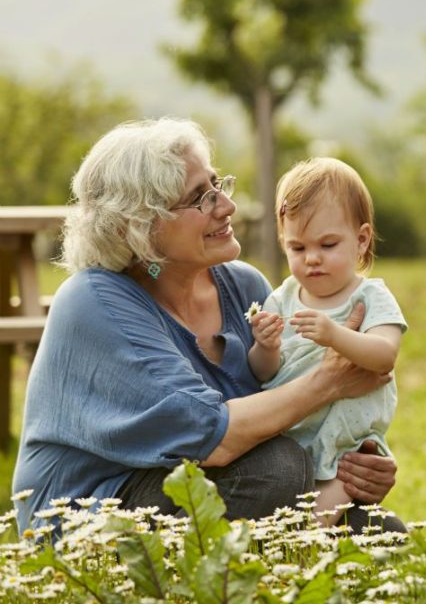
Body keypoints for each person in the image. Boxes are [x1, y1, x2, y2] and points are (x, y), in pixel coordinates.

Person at [12, 118, 400, 533]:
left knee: (378, 531)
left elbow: (285, 402)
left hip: (215, 485)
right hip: (94, 512)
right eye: (200, 198)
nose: (227, 206)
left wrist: (358, 460)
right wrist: (331, 381)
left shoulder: (244, 285)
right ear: (141, 227)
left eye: (218, 185)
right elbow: (212, 437)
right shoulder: (93, 301)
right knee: (278, 469)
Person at [248, 157, 405, 528]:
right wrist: (265, 348)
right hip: (293, 433)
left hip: (346, 444)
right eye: (298, 248)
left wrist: (336, 334)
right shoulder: (282, 298)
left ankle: (300, 556)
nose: (312, 259)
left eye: (328, 244)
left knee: (311, 524)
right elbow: (262, 373)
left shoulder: (369, 297)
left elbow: (384, 356)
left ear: (361, 239)